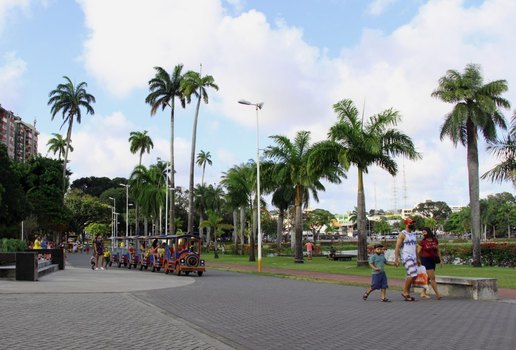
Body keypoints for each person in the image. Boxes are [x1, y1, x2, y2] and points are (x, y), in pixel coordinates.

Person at [395, 218, 418, 301]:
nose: (412, 225)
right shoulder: (402, 234)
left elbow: (415, 247)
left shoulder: (413, 234)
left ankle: (407, 293)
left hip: (414, 257)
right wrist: (396, 259)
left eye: (413, 223)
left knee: (412, 275)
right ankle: (405, 291)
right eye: (411, 223)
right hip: (407, 256)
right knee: (413, 274)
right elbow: (397, 247)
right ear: (407, 224)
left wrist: (418, 258)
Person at [417, 227, 443, 300]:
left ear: (428, 232)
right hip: (425, 260)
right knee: (432, 278)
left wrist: (441, 259)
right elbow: (418, 252)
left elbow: (438, 250)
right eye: (422, 232)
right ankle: (438, 294)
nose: (423, 234)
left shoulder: (435, 240)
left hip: (433, 260)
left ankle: (423, 292)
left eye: (424, 232)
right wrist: (418, 260)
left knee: (428, 277)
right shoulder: (422, 242)